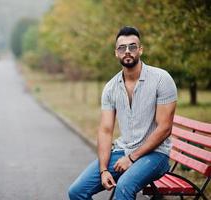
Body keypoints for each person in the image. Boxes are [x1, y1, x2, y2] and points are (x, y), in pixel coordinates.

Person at [68, 26, 177, 200]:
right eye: (122, 47)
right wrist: (104, 169)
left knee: (125, 186)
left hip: (156, 155)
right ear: (116, 53)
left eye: (132, 47)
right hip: (122, 151)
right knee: (77, 191)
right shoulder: (111, 88)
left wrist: (132, 158)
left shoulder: (161, 79)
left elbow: (165, 128)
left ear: (140, 50)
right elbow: (105, 130)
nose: (127, 51)